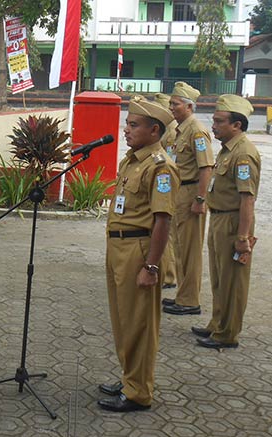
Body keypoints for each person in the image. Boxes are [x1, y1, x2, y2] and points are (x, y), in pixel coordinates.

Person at [98, 98, 178, 413]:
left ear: (154, 130)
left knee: (140, 323)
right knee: (123, 320)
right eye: (127, 123)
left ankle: (139, 392)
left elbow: (163, 220)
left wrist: (152, 266)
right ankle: (130, 377)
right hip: (118, 246)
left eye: (133, 125)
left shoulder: (160, 167)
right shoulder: (132, 161)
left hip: (139, 250)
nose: (126, 129)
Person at [192, 95, 261, 350]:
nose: (214, 126)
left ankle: (228, 334)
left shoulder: (243, 154)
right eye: (214, 121)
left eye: (219, 122)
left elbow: (247, 200)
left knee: (233, 280)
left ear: (237, 125)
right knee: (220, 277)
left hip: (233, 222)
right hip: (219, 218)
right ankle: (217, 323)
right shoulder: (227, 149)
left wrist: (243, 238)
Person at [162, 82, 214, 316]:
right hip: (180, 193)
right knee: (180, 248)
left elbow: (206, 167)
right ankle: (183, 295)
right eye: (171, 103)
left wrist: (200, 199)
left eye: (175, 104)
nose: (171, 107)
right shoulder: (182, 129)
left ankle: (190, 300)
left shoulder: (196, 130)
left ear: (189, 106)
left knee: (191, 250)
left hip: (192, 193)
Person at [153, 93, 178, 290]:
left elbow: (170, 159)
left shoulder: (170, 132)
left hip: (171, 185)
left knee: (167, 234)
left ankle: (169, 275)